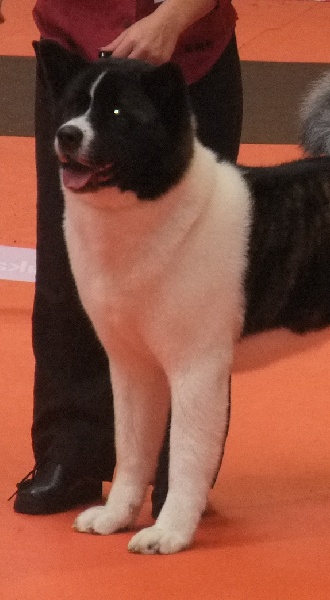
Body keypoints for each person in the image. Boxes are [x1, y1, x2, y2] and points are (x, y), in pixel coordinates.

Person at [12, 0, 243, 516]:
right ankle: (69, 454)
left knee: (195, 282)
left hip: (186, 63)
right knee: (68, 273)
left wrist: (171, 19)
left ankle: (181, 477)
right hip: (72, 55)